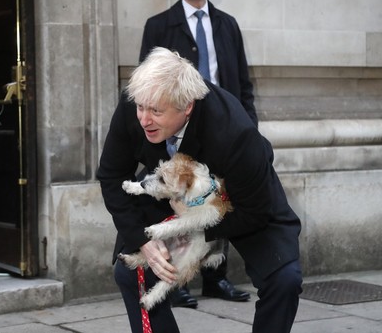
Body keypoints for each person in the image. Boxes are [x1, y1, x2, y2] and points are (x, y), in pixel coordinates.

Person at [97, 47, 302, 333]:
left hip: (238, 195)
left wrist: (194, 229)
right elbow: (111, 174)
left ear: (187, 106)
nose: (144, 119)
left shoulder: (236, 135)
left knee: (284, 279)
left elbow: (256, 211)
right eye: (141, 107)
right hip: (171, 185)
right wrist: (142, 240)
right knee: (132, 271)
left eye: (156, 111)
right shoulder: (138, 102)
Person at [139, 0, 257, 307]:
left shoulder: (227, 25)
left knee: (218, 203)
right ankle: (175, 280)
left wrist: (250, 127)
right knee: (179, 204)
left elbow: (242, 81)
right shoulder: (159, 24)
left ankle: (215, 278)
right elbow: (146, 83)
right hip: (181, 129)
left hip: (222, 131)